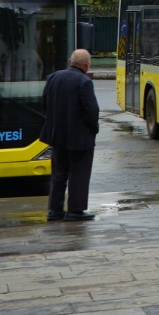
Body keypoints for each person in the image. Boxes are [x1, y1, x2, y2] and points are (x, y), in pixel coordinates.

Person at [43, 48, 101, 221]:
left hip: (57, 135)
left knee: (59, 173)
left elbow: (45, 103)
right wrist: (94, 128)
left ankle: (55, 210)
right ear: (86, 64)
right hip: (80, 137)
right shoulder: (84, 81)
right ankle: (75, 210)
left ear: (71, 61)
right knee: (79, 173)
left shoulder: (53, 77)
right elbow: (92, 110)